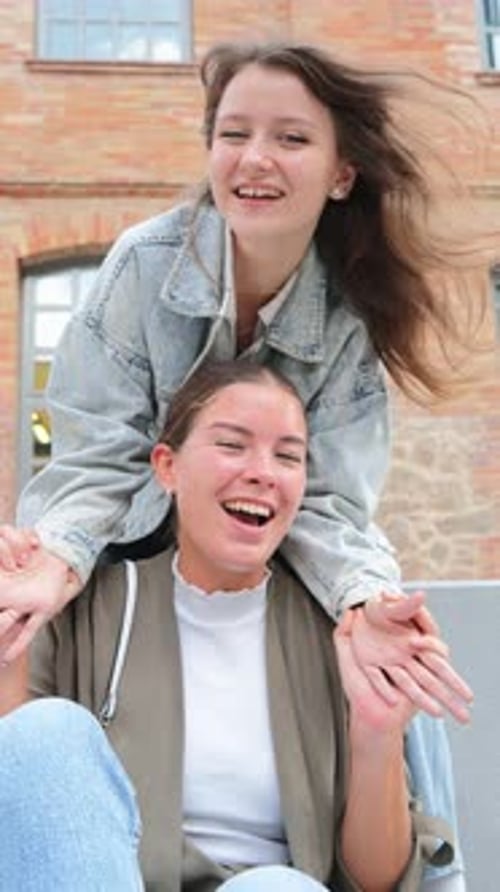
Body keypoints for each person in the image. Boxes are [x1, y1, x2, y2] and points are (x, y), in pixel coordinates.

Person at [0, 40, 475, 885]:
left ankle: (442, 875)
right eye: (233, 133)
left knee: (390, 644)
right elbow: (95, 453)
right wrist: (60, 557)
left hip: (273, 560)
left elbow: (332, 502)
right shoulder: (145, 266)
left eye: (291, 138)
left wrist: (363, 600)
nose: (255, 159)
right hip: (127, 536)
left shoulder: (347, 319)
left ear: (341, 173)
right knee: (40, 711)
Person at [0, 360, 464, 891]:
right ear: (167, 467)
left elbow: (378, 881)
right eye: (231, 445)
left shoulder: (341, 635)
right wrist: (10, 626)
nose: (263, 472)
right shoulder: (88, 611)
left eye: (287, 456)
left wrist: (377, 732)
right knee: (46, 729)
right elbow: (30, 814)